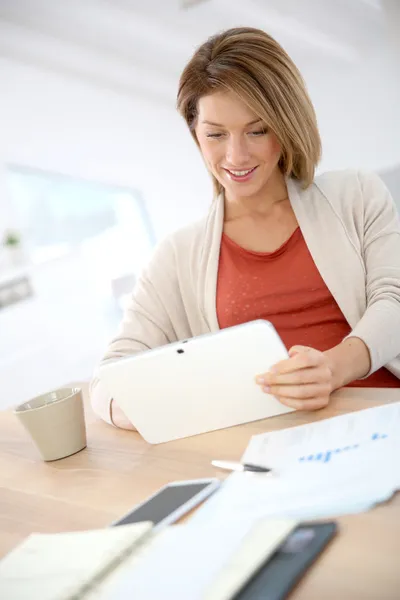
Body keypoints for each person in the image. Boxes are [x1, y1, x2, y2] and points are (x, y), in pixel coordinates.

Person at [90, 27, 400, 430]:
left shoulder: (355, 194)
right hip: (270, 447)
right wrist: (172, 407)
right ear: (195, 135)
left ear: (286, 124)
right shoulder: (177, 255)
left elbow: (394, 299)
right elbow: (108, 380)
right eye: (216, 134)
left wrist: (335, 368)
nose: (235, 156)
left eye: (257, 131)